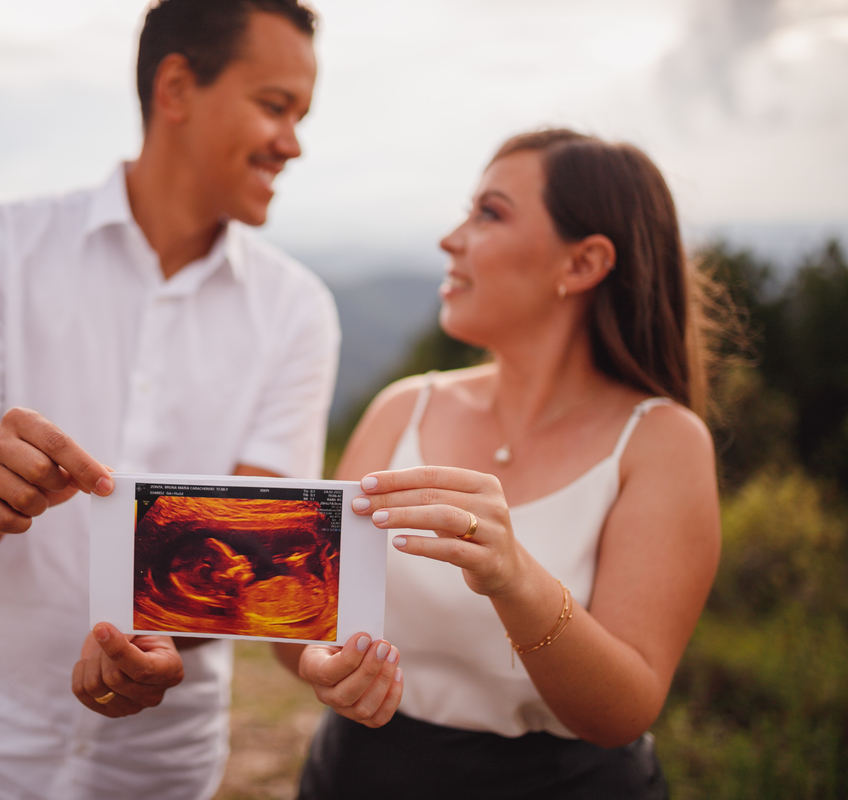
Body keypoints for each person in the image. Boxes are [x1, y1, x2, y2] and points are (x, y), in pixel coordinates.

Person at [0, 1, 338, 798]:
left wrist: (152, 645)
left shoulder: (299, 313)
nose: (293, 143)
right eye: (274, 107)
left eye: (300, 116)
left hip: (157, 774)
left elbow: (254, 567)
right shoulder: (0, 251)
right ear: (177, 87)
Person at [275, 129, 722, 799]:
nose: (451, 238)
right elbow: (303, 621)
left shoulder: (663, 443)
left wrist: (516, 578)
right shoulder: (404, 410)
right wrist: (320, 663)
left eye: (490, 213)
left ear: (582, 264)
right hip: (357, 777)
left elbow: (624, 711)